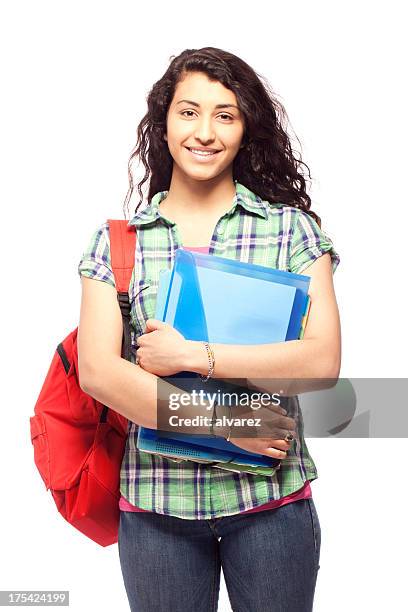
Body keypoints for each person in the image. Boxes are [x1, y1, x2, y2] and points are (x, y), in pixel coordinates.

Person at [77, 47, 341, 612]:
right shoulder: (118, 242)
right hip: (156, 507)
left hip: (269, 501)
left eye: (225, 115)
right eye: (188, 111)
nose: (205, 131)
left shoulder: (291, 231)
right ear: (163, 123)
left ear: (246, 130)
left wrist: (192, 354)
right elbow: (100, 373)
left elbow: (321, 362)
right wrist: (226, 425)